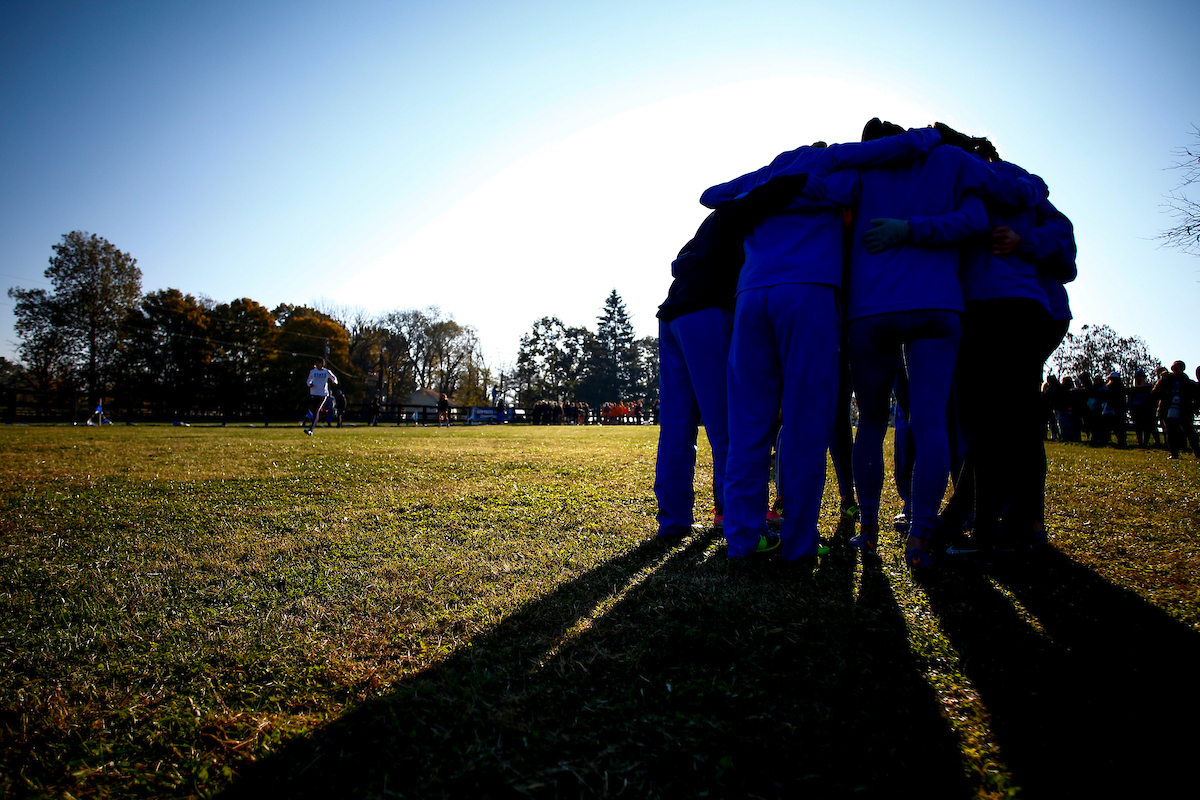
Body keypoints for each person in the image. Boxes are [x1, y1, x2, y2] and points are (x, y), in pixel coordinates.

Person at [701, 125, 946, 562]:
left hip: (752, 294)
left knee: (748, 423)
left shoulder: (764, 176)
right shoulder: (833, 162)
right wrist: (930, 138)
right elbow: (889, 153)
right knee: (805, 422)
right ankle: (797, 543)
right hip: (809, 292)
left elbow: (711, 195)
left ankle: (740, 538)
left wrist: (776, 190)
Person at [1152, 361, 1199, 459]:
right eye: (1176, 369)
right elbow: (1155, 393)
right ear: (1172, 369)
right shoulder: (1165, 381)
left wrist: (1193, 407)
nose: (1178, 371)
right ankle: (1174, 453)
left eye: (1180, 369)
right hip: (1167, 409)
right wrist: (1160, 382)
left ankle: (1197, 452)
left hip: (1184, 410)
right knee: (1170, 432)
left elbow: (1196, 397)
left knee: (1189, 432)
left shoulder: (1188, 383)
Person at [305, 357, 338, 436]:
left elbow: (334, 378)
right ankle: (312, 425)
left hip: (322, 394)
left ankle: (311, 429)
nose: (317, 364)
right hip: (314, 393)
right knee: (313, 410)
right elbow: (308, 381)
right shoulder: (313, 372)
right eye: (316, 363)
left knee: (317, 410)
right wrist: (310, 384)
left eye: (318, 363)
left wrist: (334, 382)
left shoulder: (326, 372)